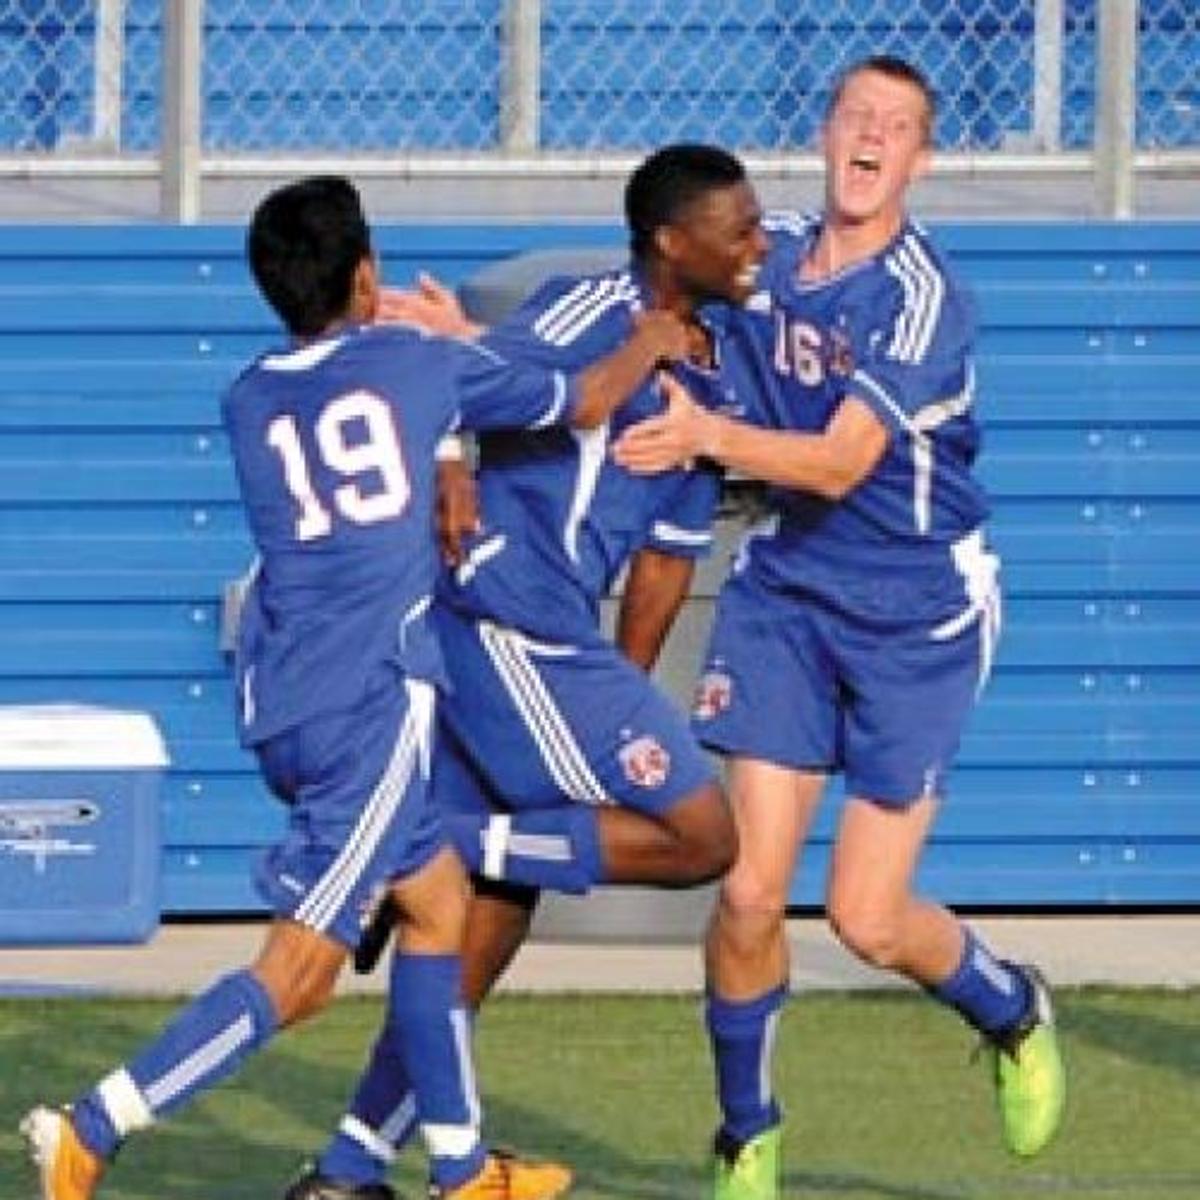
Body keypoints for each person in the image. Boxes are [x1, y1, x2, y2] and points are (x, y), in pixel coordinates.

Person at [20, 174, 691, 1200]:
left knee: (437, 905)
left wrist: (451, 446)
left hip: (284, 692)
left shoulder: (249, 396)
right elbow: (586, 400)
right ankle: (94, 1128)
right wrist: (650, 340)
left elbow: (383, 432)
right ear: (369, 272)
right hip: (367, 708)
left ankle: (462, 1168)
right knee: (301, 974)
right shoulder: (418, 364)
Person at [614, 57, 1066, 1199]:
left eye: (897, 126)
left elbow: (837, 460)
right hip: (788, 596)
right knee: (752, 892)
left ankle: (1010, 1008)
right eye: (855, 116)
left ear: (920, 158)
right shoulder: (762, 265)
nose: (871, 136)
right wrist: (457, 351)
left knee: (865, 917)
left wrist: (706, 435)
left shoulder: (922, 299)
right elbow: (640, 306)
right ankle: (747, 1134)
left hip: (920, 612)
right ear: (824, 135)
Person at [285, 144, 768, 1200]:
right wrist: (454, 466)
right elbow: (455, 382)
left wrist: (621, 699)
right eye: (741, 229)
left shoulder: (712, 367)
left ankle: (347, 1170)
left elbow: (665, 561)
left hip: (555, 645)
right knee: (702, 837)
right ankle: (417, 845)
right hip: (500, 614)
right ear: (671, 242)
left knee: (484, 915)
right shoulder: (585, 304)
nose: (758, 245)